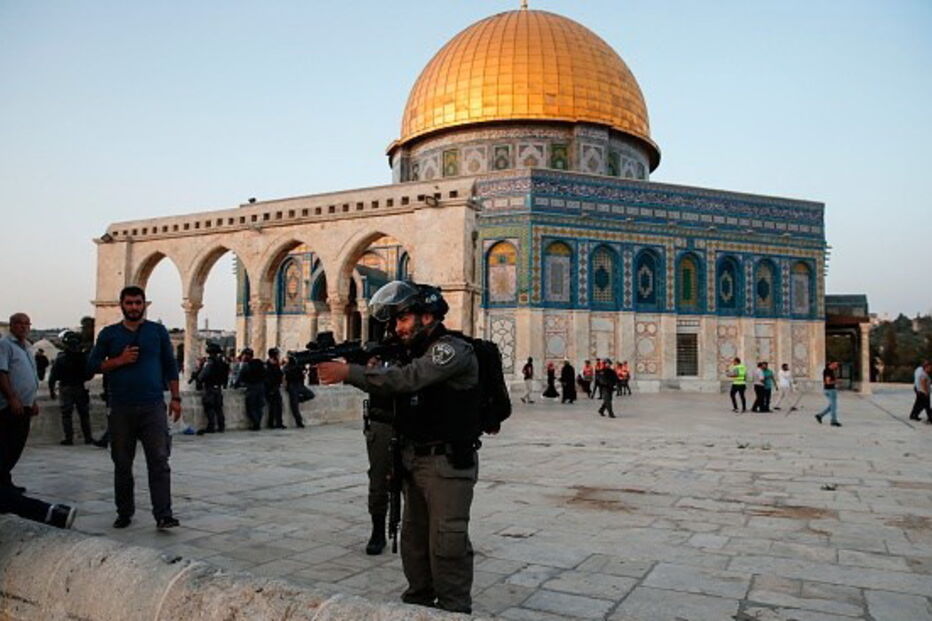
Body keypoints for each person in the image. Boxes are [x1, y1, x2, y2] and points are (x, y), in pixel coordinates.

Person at [317, 281, 480, 614]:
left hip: (447, 464)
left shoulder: (450, 350)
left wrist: (350, 373)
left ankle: (453, 608)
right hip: (413, 460)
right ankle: (418, 602)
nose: (397, 328)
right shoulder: (410, 351)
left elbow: (408, 380)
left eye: (403, 319)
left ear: (428, 316)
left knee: (447, 541)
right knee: (414, 541)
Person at [87, 286, 181, 530]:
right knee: (122, 463)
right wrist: (119, 360)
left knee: (159, 461)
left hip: (152, 406)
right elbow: (93, 365)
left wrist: (176, 397)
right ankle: (124, 511)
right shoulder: (109, 334)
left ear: (144, 305)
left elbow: (170, 366)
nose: (134, 307)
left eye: (138, 303)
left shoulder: (157, 332)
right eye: (129, 303)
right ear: (122, 305)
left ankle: (163, 514)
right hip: (121, 407)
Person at [0, 312, 77, 529]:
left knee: (15, 447)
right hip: (9, 407)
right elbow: (2, 373)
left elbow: (29, 375)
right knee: (6, 446)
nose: (24, 327)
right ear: (12, 326)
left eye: (27, 324)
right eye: (20, 323)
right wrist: (13, 398)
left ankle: (6, 484)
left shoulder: (27, 347)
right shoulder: (5, 345)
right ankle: (46, 512)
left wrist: (30, 399)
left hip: (24, 406)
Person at [361, 332, 403, 556]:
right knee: (378, 481)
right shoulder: (377, 355)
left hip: (410, 424)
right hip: (381, 424)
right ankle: (377, 531)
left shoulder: (416, 353)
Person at [48, 330, 94, 445]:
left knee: (67, 415)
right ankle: (88, 437)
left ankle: (69, 438)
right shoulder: (84, 357)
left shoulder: (61, 358)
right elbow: (90, 373)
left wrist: (52, 390)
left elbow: (53, 376)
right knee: (84, 414)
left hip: (66, 387)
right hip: (80, 387)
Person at [196, 342, 229, 434]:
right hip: (218, 387)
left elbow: (203, 375)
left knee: (209, 407)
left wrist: (198, 378)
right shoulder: (222, 363)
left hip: (210, 388)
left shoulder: (210, 363)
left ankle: (211, 426)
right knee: (218, 408)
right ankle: (221, 426)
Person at [234, 348, 266, 431]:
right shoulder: (260, 363)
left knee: (251, 407)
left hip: (251, 388)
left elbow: (239, 378)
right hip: (261, 387)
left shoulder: (246, 366)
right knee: (259, 407)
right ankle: (258, 423)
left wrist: (235, 386)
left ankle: (256, 424)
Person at [283, 355, 309, 428]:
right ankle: (299, 422)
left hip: (298, 385)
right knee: (295, 407)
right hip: (293, 386)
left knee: (310, 395)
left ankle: (299, 400)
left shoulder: (295, 366)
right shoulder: (288, 367)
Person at [814, 361, 841, 427]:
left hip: (828, 390)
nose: (836, 367)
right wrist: (836, 381)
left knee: (832, 406)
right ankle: (833, 421)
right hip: (830, 390)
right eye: (836, 365)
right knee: (834, 407)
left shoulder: (830, 371)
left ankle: (820, 416)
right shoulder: (828, 371)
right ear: (832, 364)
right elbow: (828, 382)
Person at [265, 348, 285, 429]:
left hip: (275, 387)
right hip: (271, 388)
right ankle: (272, 423)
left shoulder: (275, 364)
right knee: (273, 407)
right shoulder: (268, 365)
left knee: (278, 406)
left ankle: (278, 423)